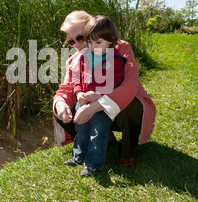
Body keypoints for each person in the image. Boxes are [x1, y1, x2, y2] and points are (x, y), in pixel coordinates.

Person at [53, 10, 156, 167]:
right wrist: (61, 104)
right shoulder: (74, 60)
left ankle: (129, 150)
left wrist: (95, 106)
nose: (78, 45)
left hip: (121, 112)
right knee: (60, 106)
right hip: (94, 112)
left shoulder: (120, 48)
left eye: (81, 38)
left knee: (131, 105)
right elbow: (67, 88)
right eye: (71, 42)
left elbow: (130, 86)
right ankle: (104, 138)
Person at [65, 15, 127, 176]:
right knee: (81, 129)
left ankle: (93, 164)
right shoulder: (84, 58)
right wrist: (78, 93)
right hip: (83, 101)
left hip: (102, 105)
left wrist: (98, 95)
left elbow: (117, 83)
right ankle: (78, 156)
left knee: (98, 133)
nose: (93, 47)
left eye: (98, 42)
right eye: (90, 42)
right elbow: (76, 79)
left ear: (111, 41)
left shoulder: (115, 59)